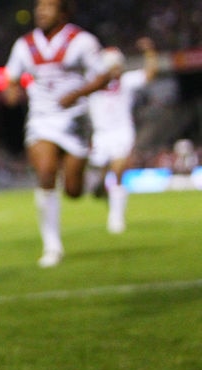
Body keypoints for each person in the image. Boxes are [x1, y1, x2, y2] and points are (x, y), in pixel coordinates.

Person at [3, 0, 111, 267]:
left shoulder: (82, 40)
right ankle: (52, 246)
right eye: (39, 7)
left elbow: (104, 76)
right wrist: (11, 91)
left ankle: (94, 182)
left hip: (74, 120)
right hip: (41, 119)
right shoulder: (23, 45)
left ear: (63, 12)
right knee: (46, 172)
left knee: (73, 191)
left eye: (48, 7)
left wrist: (76, 94)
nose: (41, 11)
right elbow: (11, 78)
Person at [87, 37, 159, 234]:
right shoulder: (92, 87)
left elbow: (150, 74)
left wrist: (150, 52)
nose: (115, 70)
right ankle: (101, 187)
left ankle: (116, 218)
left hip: (122, 132)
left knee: (118, 170)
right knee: (99, 177)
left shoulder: (127, 82)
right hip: (101, 135)